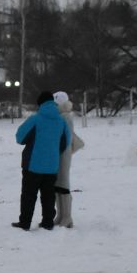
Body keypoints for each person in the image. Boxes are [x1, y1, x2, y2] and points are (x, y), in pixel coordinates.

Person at [12, 91, 69, 230]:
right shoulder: (61, 121)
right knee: (49, 196)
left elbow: (20, 137)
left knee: (28, 195)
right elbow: (65, 143)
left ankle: (25, 223)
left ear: (40, 104)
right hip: (52, 165)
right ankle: (48, 222)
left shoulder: (35, 119)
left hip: (33, 165)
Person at [53, 91, 86, 228]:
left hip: (63, 154)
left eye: (55, 103)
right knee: (58, 184)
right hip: (59, 153)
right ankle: (60, 214)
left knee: (64, 183)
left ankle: (67, 216)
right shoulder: (61, 115)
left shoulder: (65, 116)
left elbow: (66, 137)